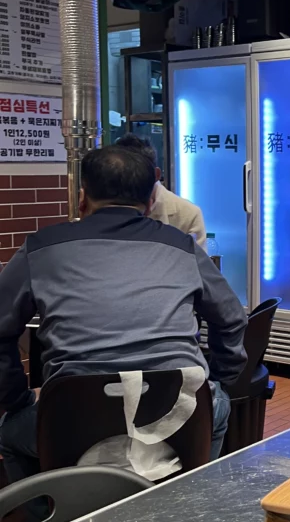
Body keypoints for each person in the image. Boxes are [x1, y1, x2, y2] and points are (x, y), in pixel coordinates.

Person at [0, 145, 246, 483]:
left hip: (70, 422)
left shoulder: (40, 248)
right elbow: (232, 318)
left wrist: (17, 398)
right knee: (216, 407)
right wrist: (217, 378)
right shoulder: (182, 247)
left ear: (82, 197)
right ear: (149, 203)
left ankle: (46, 521)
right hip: (178, 416)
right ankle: (190, 502)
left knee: (10, 431)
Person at [115, 133, 207, 250]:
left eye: (137, 175)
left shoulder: (187, 215)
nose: (130, 183)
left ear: (156, 175)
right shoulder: (103, 211)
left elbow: (196, 266)